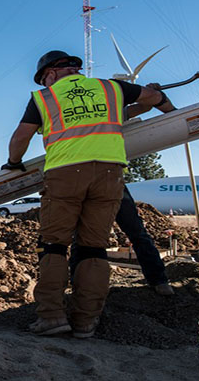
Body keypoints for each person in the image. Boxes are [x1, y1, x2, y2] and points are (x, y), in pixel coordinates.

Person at [2, 50, 175, 337]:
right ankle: (85, 321)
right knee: (94, 247)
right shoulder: (110, 88)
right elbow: (153, 100)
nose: (45, 83)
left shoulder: (44, 98)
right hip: (109, 175)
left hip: (65, 174)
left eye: (45, 78)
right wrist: (175, 117)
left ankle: (52, 317)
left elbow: (20, 138)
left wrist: (13, 162)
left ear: (53, 73)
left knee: (53, 246)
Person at [69, 84, 175, 296]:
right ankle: (159, 281)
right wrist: (152, 97)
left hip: (86, 177)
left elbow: (142, 109)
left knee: (86, 235)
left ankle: (80, 286)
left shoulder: (101, 113)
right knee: (133, 231)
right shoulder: (105, 113)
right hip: (108, 176)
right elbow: (145, 106)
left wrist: (147, 94)